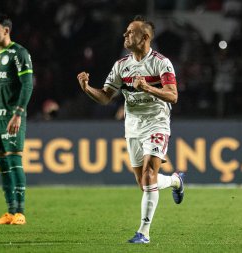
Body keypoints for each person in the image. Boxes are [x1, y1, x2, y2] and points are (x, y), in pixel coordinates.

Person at [77, 15, 184, 243]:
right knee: (144, 182)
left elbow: (173, 95)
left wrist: (147, 87)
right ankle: (175, 181)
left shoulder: (161, 63)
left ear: (144, 37)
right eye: (125, 32)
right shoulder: (121, 66)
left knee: (148, 174)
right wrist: (87, 88)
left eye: (130, 32)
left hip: (156, 123)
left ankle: (143, 233)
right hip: (133, 127)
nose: (125, 35)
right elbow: (105, 97)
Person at [0, 13, 33, 225]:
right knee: (2, 163)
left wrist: (18, 114)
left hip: (11, 116)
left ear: (6, 30)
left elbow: (27, 85)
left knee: (14, 160)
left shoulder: (19, 53)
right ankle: (10, 212)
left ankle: (20, 212)